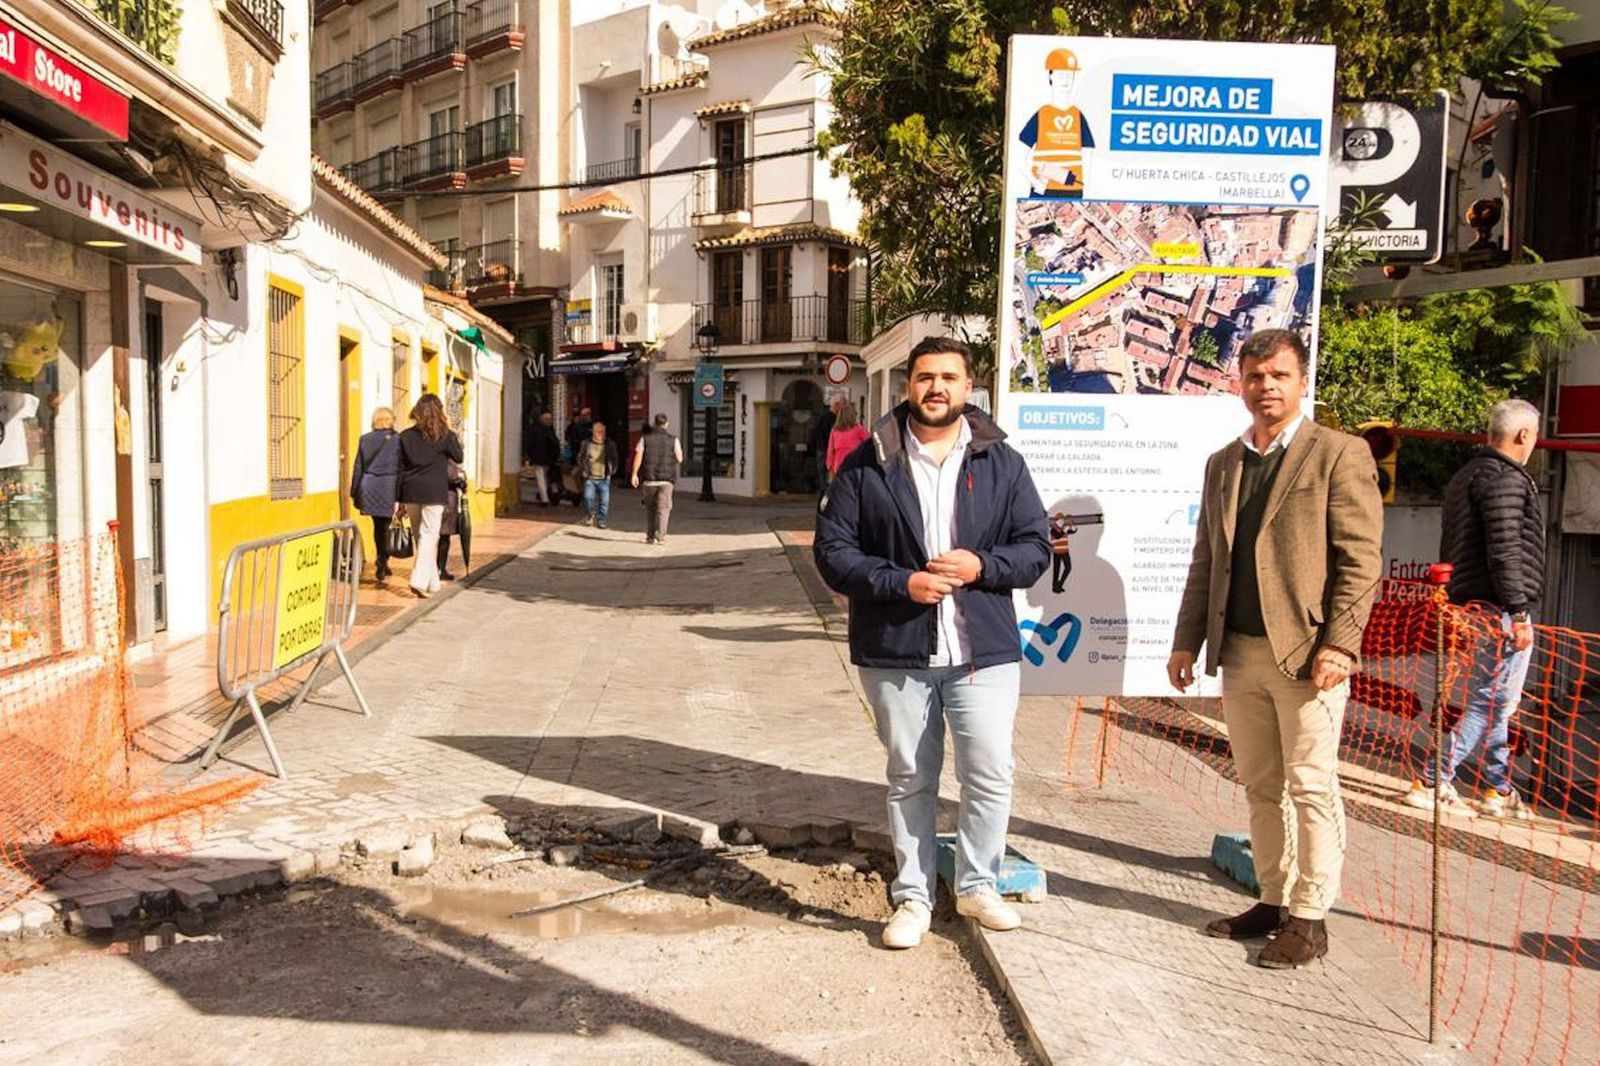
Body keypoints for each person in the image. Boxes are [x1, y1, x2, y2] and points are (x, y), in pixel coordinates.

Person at [815, 336, 1050, 951]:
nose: (936, 387)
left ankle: (977, 884)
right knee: (911, 777)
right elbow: (833, 552)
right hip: (897, 649)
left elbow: (1033, 548)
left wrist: (981, 567)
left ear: (968, 388)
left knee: (990, 771)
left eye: (949, 376)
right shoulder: (868, 463)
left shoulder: (1003, 462)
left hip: (984, 650)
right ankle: (913, 897)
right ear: (907, 386)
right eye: (925, 377)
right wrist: (902, 583)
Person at [1168, 328, 1383, 970]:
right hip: (1238, 650)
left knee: (1312, 784)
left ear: (1301, 381)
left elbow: (1360, 560)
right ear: (1240, 383)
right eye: (1255, 376)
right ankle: (1272, 897)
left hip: (1306, 652)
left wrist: (1341, 645)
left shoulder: (1338, 454)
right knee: (1262, 784)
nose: (1266, 388)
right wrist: (1186, 640)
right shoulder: (1224, 463)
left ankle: (1312, 917)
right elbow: (1207, 557)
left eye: (1279, 376)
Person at [1402, 399, 1544, 820]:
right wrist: (1518, 612)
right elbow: (1505, 550)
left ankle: (1498, 790)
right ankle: (1432, 781)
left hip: (1472, 603)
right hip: (1498, 607)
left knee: (1499, 700)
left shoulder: (1466, 475)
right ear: (1523, 436)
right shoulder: (1507, 480)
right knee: (1491, 701)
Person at [396, 393, 463, 599]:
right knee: (429, 536)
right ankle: (418, 580)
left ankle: (433, 582)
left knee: (421, 537)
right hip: (434, 491)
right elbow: (458, 456)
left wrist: (398, 500)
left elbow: (399, 468)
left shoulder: (405, 436)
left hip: (411, 490)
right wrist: (451, 431)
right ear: (439, 412)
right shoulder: (444, 435)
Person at [350, 407, 400, 582]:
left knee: (378, 525)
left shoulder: (365, 439)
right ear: (391, 420)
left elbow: (358, 467)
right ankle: (383, 560)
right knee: (385, 525)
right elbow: (402, 467)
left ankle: (382, 559)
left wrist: (354, 490)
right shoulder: (397, 439)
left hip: (369, 485)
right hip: (388, 485)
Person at [631, 413, 682, 545]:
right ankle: (661, 537)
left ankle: (650, 536)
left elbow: (638, 456)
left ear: (655, 423)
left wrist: (634, 474)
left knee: (650, 508)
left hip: (649, 479)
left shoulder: (645, 439)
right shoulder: (673, 439)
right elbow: (680, 458)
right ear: (666, 424)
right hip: (667, 480)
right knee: (663, 509)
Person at [576, 420, 619, 529]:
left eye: (602, 431)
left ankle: (601, 520)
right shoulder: (586, 443)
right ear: (593, 432)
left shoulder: (610, 444)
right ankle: (590, 514)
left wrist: (612, 471)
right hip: (590, 477)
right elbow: (580, 457)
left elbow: (615, 459)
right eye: (598, 431)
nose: (600, 433)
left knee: (604, 501)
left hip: (604, 477)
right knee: (587, 498)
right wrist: (583, 469)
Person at [436, 459, 467, 581]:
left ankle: (438, 568)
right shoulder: (447, 459)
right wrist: (460, 482)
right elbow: (451, 477)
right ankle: (440, 568)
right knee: (444, 537)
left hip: (439, 498)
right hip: (446, 500)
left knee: (439, 537)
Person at [826, 402, 870, 483]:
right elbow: (870, 443)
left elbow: (830, 451)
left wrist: (829, 466)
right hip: (855, 466)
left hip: (838, 467)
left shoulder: (835, 431)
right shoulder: (859, 429)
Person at [526, 411, 561, 506]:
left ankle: (545, 499)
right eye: (548, 419)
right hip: (548, 459)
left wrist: (529, 455)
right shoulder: (550, 430)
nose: (550, 421)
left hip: (539, 458)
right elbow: (555, 445)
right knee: (545, 478)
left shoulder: (535, 429)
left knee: (541, 478)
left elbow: (530, 443)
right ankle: (547, 496)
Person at [810, 396, 843, 491]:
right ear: (836, 405)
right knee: (828, 474)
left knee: (823, 474)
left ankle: (824, 493)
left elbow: (815, 433)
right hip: (827, 450)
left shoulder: (822, 417)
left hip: (821, 449)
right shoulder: (834, 419)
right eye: (842, 405)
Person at [1048, 513, 1076, 594]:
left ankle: (1059, 585)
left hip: (1064, 551)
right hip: (1057, 552)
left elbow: (1074, 530)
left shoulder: (1064, 529)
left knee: (1068, 568)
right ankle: (1055, 587)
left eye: (1062, 519)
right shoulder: (1053, 529)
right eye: (1060, 519)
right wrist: (1065, 530)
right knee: (1056, 570)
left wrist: (1071, 524)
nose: (1062, 521)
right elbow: (1058, 536)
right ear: (1057, 520)